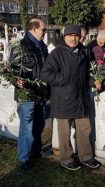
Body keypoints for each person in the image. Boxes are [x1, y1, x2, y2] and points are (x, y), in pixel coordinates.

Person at [40, 24, 101, 171]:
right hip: (63, 99)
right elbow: (45, 74)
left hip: (80, 98)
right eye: (70, 35)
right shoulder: (57, 53)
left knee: (84, 128)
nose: (74, 38)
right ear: (65, 36)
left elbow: (85, 75)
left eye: (76, 36)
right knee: (64, 131)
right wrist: (64, 79)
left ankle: (86, 157)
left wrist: (94, 81)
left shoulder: (83, 52)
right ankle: (66, 159)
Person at [9, 18, 49, 170]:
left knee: (39, 125)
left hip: (41, 93)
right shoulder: (20, 45)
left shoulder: (42, 46)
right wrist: (16, 81)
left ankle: (36, 152)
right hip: (27, 94)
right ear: (33, 29)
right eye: (43, 30)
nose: (45, 33)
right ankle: (24, 159)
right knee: (27, 128)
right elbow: (13, 69)